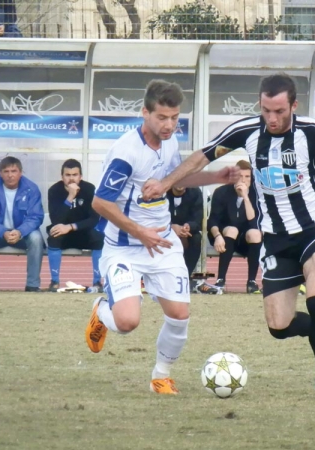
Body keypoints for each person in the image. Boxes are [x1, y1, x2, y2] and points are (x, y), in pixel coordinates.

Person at [142, 73, 315, 396]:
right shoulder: (247, 131)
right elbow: (201, 156)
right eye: (266, 110)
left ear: (294, 106)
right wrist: (164, 184)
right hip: (275, 239)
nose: (272, 118)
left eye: (279, 111)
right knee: (279, 327)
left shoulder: (313, 131)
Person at [84, 79, 238, 395]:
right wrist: (140, 232)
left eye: (175, 118)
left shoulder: (169, 141)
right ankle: (102, 311)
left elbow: (176, 177)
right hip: (125, 247)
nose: (169, 125)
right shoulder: (126, 153)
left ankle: (161, 377)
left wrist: (215, 176)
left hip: (162, 242)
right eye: (162, 118)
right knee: (127, 323)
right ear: (145, 113)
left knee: (180, 315)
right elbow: (100, 203)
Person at [0, 156, 45, 292]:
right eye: (6, 171)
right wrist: (3, 232)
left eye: (14, 171)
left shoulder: (31, 188)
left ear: (20, 172)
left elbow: (36, 217)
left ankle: (32, 285)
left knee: (36, 237)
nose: (10, 175)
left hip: (22, 235)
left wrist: (20, 232)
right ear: (0, 173)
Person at [47, 159, 104, 292]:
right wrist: (70, 196)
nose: (71, 178)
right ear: (62, 177)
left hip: (83, 231)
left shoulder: (89, 189)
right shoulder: (54, 190)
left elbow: (94, 219)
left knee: (98, 238)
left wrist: (71, 227)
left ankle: (97, 282)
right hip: (63, 233)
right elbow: (56, 220)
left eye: (75, 175)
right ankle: (54, 281)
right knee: (54, 236)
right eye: (67, 175)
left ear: (81, 176)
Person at [207, 159, 262, 294]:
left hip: (245, 240)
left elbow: (254, 222)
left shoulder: (257, 194)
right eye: (240, 176)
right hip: (224, 237)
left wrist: (245, 197)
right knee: (232, 230)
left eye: (247, 177)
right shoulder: (221, 192)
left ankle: (251, 282)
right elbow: (213, 220)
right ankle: (220, 280)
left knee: (255, 233)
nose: (243, 180)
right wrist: (217, 236)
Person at [167, 185, 219, 294]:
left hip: (187, 232)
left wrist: (188, 226)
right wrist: (171, 227)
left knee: (196, 238)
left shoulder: (195, 192)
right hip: (164, 230)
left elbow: (198, 218)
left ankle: (184, 276)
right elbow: (156, 217)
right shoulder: (163, 192)